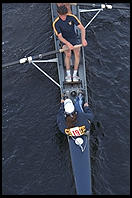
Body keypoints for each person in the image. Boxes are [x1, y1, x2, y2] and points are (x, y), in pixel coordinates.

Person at [52, 5, 87, 82]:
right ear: (58, 14)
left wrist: (83, 39)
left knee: (77, 54)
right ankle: (68, 75)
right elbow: (60, 37)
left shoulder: (71, 17)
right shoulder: (56, 23)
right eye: (62, 16)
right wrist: (68, 44)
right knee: (68, 54)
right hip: (64, 40)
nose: (64, 17)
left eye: (65, 15)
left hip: (74, 38)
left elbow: (82, 28)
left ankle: (74, 74)